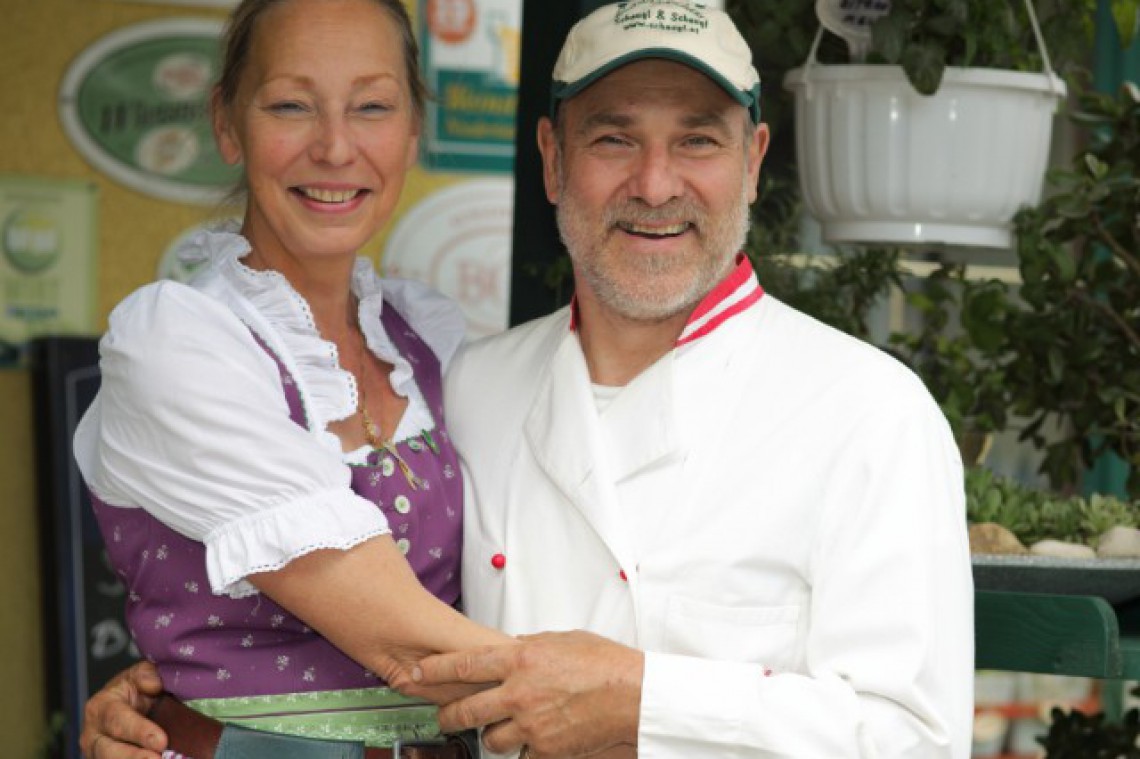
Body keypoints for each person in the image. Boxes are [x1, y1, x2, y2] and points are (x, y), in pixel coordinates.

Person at [80, 2, 976, 757]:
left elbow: (919, 738)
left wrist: (644, 701)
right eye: (614, 138)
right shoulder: (478, 381)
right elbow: (352, 609)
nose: (655, 184)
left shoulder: (871, 411)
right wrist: (186, 701)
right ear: (551, 159)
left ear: (753, 160)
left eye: (697, 140)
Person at [72, 0, 513, 757]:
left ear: (412, 131)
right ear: (227, 122)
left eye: (372, 106)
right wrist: (615, 696)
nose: (336, 147)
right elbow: (397, 635)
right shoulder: (175, 342)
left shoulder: (429, 335)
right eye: (290, 105)